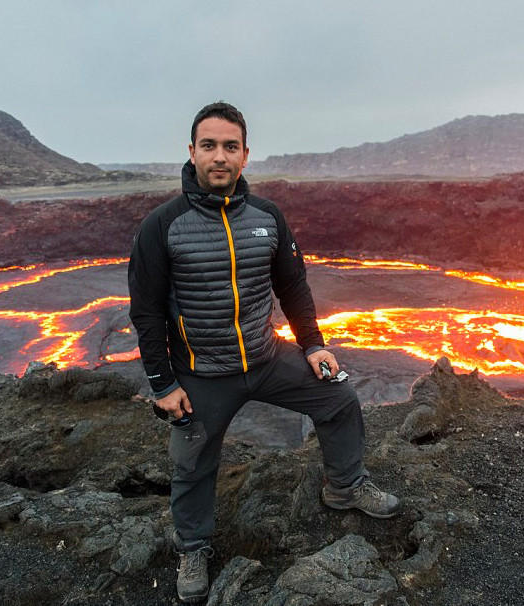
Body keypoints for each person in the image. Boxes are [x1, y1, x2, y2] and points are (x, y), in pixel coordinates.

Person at [128, 101, 399, 603]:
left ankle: (344, 486)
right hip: (202, 374)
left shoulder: (267, 217)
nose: (219, 157)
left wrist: (313, 345)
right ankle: (192, 546)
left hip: (267, 357)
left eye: (230, 147)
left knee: (338, 397)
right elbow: (145, 311)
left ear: (246, 155)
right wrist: (163, 384)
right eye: (208, 145)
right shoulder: (162, 226)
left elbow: (292, 285)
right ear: (191, 152)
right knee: (192, 462)